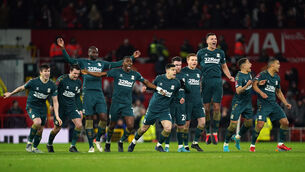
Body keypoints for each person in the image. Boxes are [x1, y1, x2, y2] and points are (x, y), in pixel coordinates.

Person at [57, 37, 140, 152]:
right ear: (89, 53)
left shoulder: (102, 63)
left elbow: (117, 63)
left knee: (104, 118)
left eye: (96, 52)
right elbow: (70, 60)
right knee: (89, 119)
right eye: (93, 52)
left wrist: (131, 57)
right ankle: (91, 146)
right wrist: (63, 48)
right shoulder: (82, 62)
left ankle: (97, 139)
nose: (95, 54)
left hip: (99, 94)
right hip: (87, 93)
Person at [82, 56, 160, 152]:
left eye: (131, 62)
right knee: (111, 126)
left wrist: (158, 88)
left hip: (127, 104)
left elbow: (146, 82)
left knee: (130, 126)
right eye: (127, 61)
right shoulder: (116, 71)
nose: (130, 63)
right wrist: (88, 72)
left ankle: (121, 141)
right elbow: (100, 74)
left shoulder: (134, 74)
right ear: (123, 63)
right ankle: (108, 143)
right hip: (115, 104)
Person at [4, 64, 61, 153]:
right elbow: (21, 88)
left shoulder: (52, 85)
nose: (47, 73)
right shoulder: (33, 82)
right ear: (41, 72)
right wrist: (10, 94)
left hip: (42, 108)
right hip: (32, 106)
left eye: (48, 71)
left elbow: (55, 101)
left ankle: (35, 148)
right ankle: (29, 143)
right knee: (37, 122)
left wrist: (57, 116)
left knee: (41, 130)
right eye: (45, 71)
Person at [128, 64, 185, 152]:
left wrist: (180, 98)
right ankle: (133, 142)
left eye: (175, 70)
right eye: (173, 70)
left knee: (168, 128)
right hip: (153, 108)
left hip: (164, 109)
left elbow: (176, 93)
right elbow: (153, 86)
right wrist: (146, 88)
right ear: (167, 70)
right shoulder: (159, 78)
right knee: (144, 128)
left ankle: (158, 145)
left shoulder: (177, 82)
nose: (175, 71)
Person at [196, 33, 234, 145]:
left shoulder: (220, 53)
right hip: (206, 81)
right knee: (206, 108)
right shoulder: (201, 52)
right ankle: (208, 133)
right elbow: (195, 65)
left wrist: (229, 76)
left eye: (215, 39)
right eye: (212, 39)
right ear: (207, 41)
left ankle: (215, 133)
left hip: (217, 81)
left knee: (217, 107)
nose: (214, 40)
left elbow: (224, 66)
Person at [251, 58, 292, 152]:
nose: (279, 65)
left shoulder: (277, 77)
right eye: (278, 63)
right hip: (263, 104)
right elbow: (254, 85)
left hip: (274, 104)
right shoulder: (262, 74)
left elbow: (278, 91)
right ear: (272, 65)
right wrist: (261, 93)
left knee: (285, 122)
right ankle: (252, 145)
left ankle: (280, 145)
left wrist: (286, 103)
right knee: (260, 125)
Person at [46, 64, 83, 153]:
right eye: (74, 73)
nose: (76, 76)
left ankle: (72, 146)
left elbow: (77, 96)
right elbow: (54, 91)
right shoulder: (61, 79)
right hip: (60, 107)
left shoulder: (78, 82)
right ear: (70, 71)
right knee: (57, 129)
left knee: (79, 125)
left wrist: (80, 109)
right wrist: (52, 104)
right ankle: (49, 144)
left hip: (71, 105)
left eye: (78, 74)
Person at [223, 58, 254, 152]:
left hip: (247, 103)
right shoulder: (239, 76)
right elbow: (238, 90)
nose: (251, 64)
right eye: (249, 63)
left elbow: (252, 85)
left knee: (249, 123)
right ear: (243, 66)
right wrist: (247, 85)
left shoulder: (249, 74)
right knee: (232, 126)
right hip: (238, 103)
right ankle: (226, 144)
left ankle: (237, 137)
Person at [164, 56, 190, 152]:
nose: (178, 67)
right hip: (170, 104)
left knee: (181, 126)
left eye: (179, 65)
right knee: (169, 125)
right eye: (176, 65)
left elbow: (189, 90)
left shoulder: (184, 76)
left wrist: (184, 84)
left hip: (181, 106)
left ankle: (180, 147)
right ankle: (166, 146)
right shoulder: (168, 75)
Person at [181, 54, 206, 152]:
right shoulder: (183, 71)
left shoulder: (198, 72)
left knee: (202, 122)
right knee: (186, 125)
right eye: (192, 60)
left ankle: (195, 143)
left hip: (198, 102)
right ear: (187, 61)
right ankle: (186, 145)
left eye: (196, 60)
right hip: (187, 102)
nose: (194, 62)